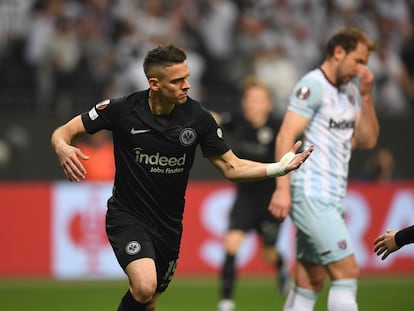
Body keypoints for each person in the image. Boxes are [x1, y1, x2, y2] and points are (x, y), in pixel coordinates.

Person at [50, 44, 314, 311]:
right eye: (178, 81)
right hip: (128, 216)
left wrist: (277, 168)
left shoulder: (198, 118)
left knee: (149, 301)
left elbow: (231, 167)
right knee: (143, 286)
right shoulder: (121, 109)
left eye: (187, 77)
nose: (187, 85)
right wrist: (62, 146)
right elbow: (64, 131)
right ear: (154, 83)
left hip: (169, 226)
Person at [268, 27, 379, 311]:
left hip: (332, 195)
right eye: (358, 60)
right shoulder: (313, 85)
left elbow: (367, 140)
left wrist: (366, 97)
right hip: (311, 193)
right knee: (346, 273)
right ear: (338, 52)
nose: (361, 69)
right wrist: (282, 189)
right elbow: (285, 136)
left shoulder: (352, 92)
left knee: (310, 279)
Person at [213, 76, 289, 311]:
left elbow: (287, 162)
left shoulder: (279, 128)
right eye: (248, 99)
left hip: (270, 198)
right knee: (231, 244)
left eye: (257, 100)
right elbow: (214, 119)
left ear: (268, 104)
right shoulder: (238, 120)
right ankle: (226, 301)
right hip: (245, 197)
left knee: (269, 254)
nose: (251, 104)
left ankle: (281, 266)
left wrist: (284, 192)